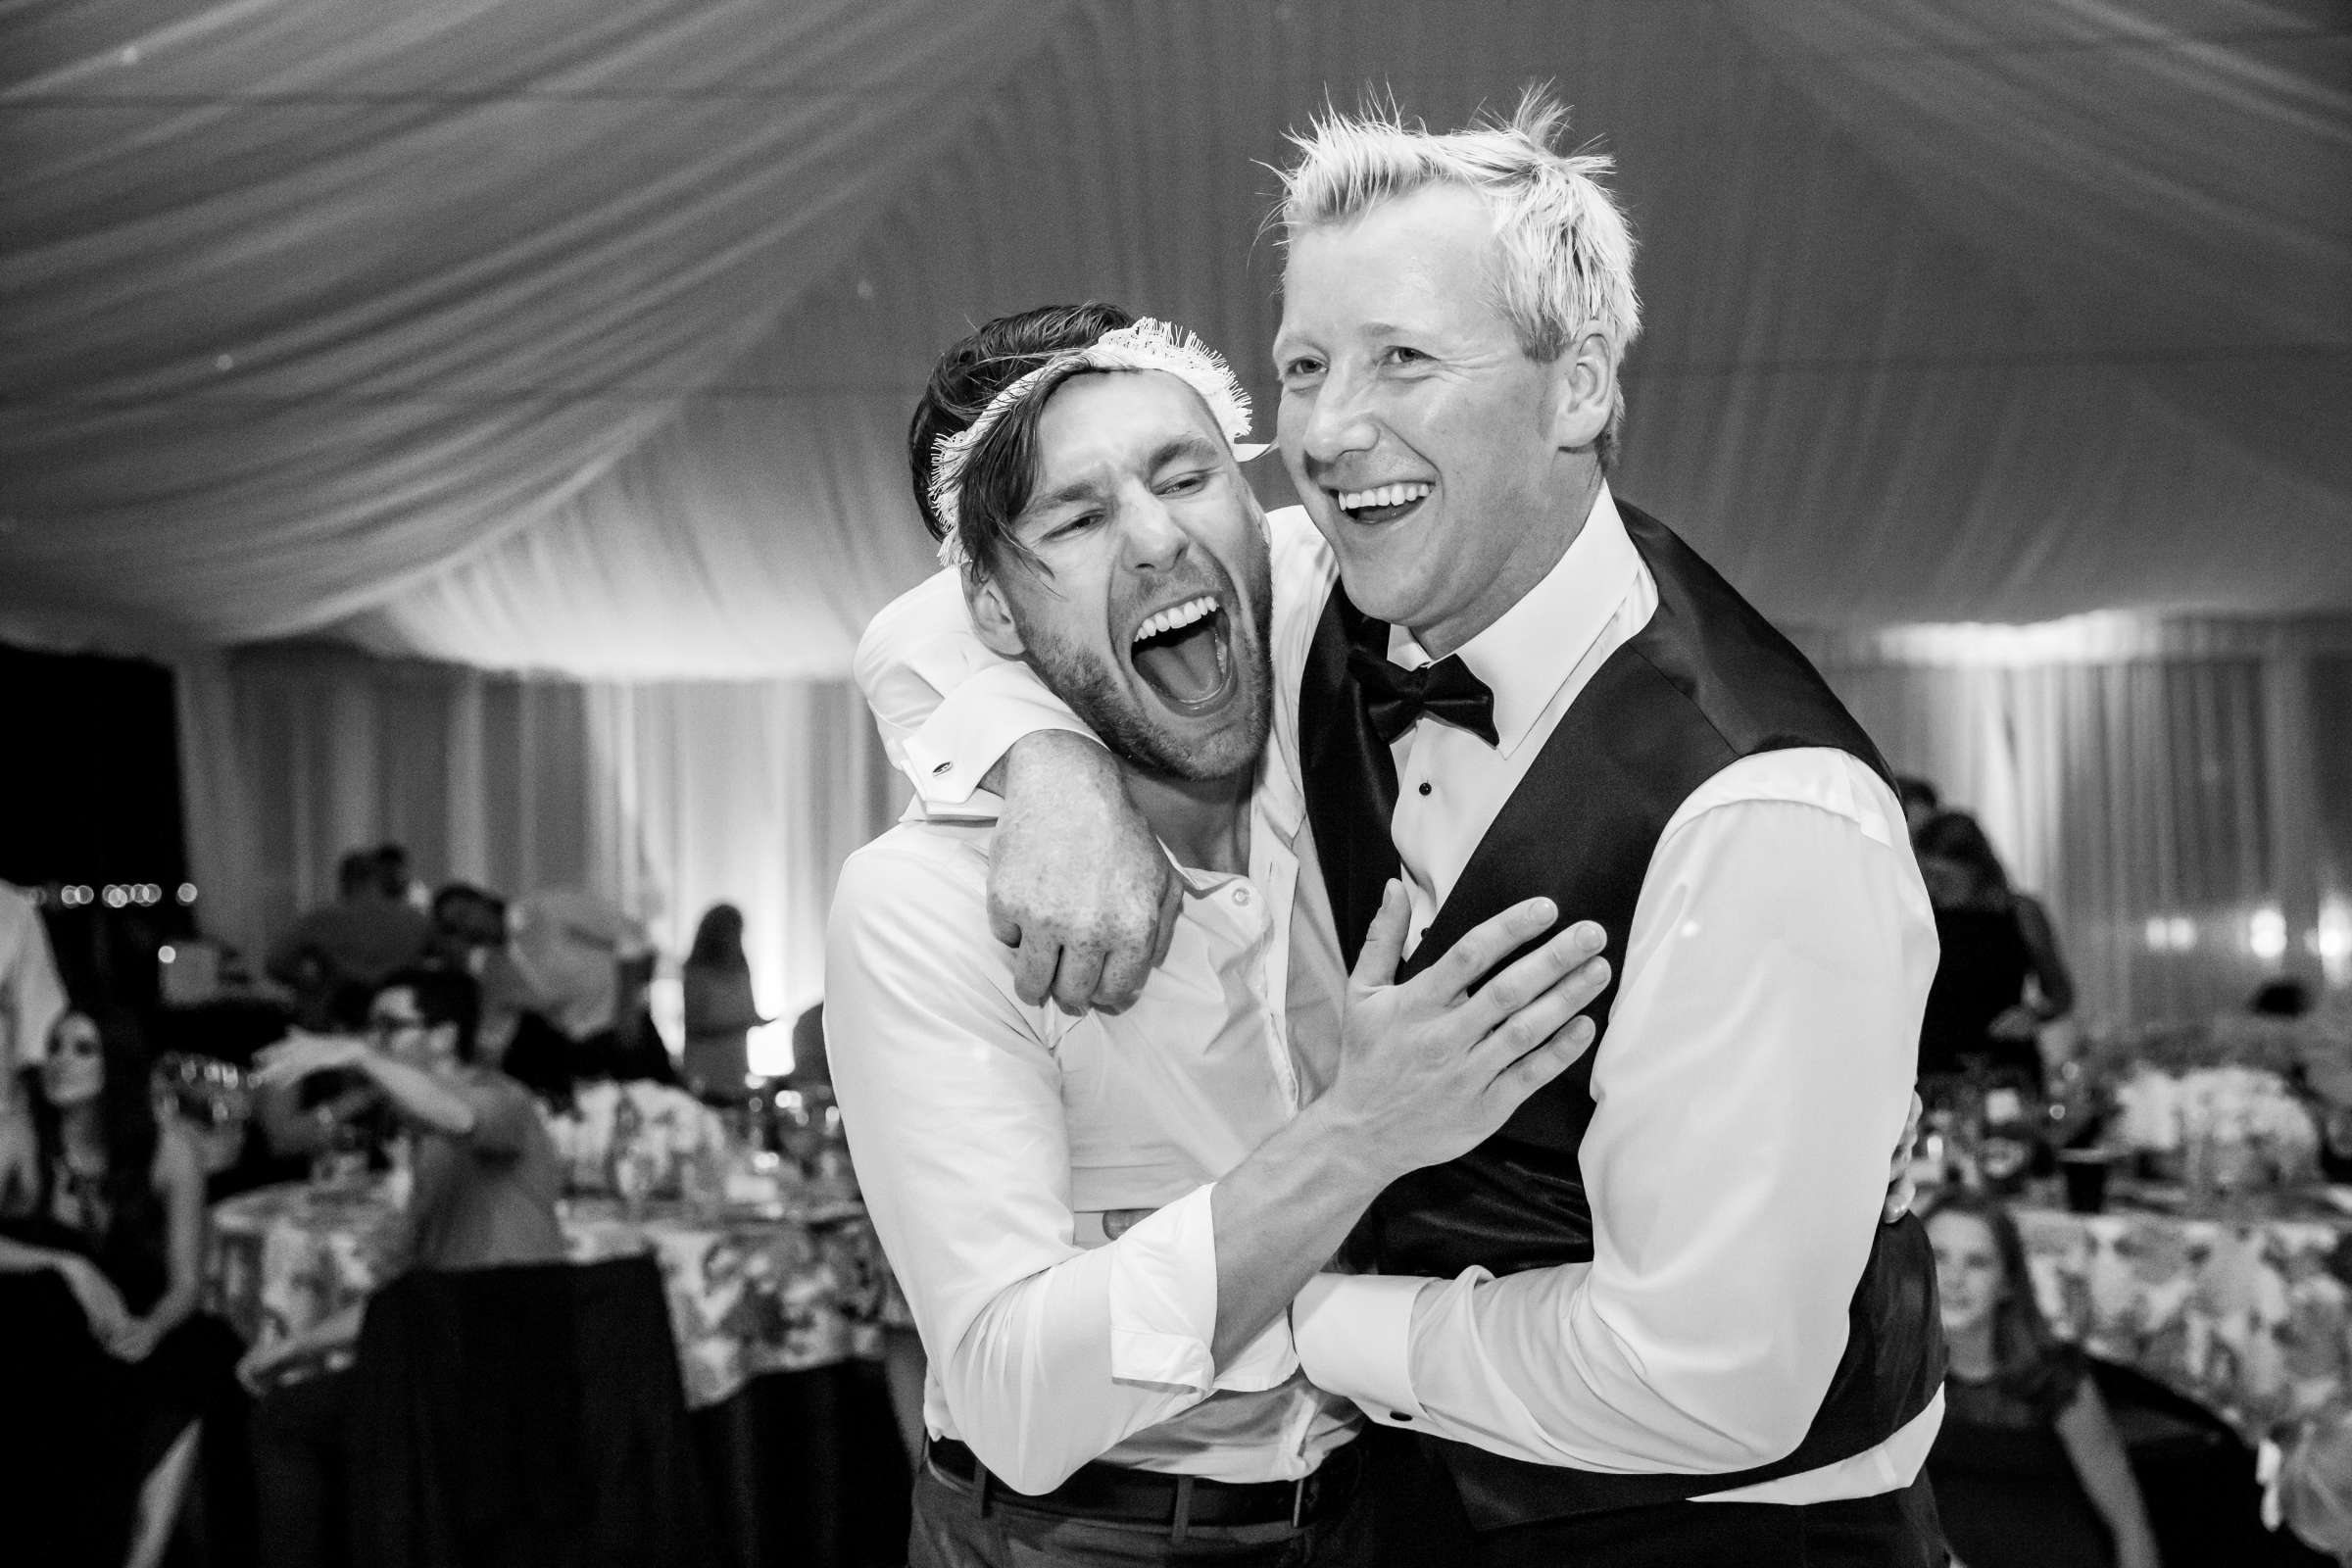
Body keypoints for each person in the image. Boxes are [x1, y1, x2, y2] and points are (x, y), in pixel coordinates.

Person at [859, 94, 1945, 1564]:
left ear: (1577, 389)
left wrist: (1309, 1308)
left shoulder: (1757, 804)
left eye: (1404, 361)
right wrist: (1042, 756)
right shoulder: (1325, 594)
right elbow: (947, 598)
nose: (1327, 430)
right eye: (1304, 366)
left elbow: (1720, 1383)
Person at [831, 304, 1619, 1566]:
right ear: (986, 601)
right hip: (1081, 1539)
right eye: (1078, 520)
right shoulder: (923, 907)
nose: (1155, 538)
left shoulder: (1313, 629)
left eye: (1189, 476)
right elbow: (1015, 1400)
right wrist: (1360, 1134)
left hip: (1388, 1501)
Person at [239, 966, 565, 1568]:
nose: (376, 1041)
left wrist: (356, 1055)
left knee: (311, 1426)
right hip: (449, 1354)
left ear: (443, 1037)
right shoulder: (421, 1137)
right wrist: (293, 1349)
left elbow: (459, 1115)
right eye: (373, 1028)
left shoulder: (501, 1098)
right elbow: (410, 1295)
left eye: (392, 1027)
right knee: (285, 1412)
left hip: (506, 1366)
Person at [0, 1003, 245, 1568]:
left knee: (207, 1350)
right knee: (52, 1329)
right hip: (33, 1318)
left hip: (129, 1315)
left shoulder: (168, 1149)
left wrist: (151, 1327)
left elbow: (187, 1283)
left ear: (122, 1064)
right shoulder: (19, 1132)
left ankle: (144, 1553)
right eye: (56, 1046)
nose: (61, 1062)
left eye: (84, 1050)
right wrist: (70, 1267)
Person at [1923, 1191, 2159, 1568]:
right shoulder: (1893, 1379)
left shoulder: (2053, 1377)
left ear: (2007, 1283)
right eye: (1938, 1257)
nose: (1954, 1279)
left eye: (1978, 1262)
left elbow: (2130, 1525)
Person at [1915, 808, 2075, 1087]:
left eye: (1942, 876)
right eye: (1926, 874)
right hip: (1933, 1069)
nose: (1933, 885)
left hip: (2006, 1067)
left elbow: (2061, 992)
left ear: (1975, 869)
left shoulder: (2021, 913)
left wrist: (2034, 1014)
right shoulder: (1920, 915)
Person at [264, 848, 433, 1029]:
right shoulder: (416, 921)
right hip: (398, 1021)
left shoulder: (322, 919)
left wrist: (309, 985)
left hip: (332, 1020)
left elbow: (276, 962)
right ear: (378, 878)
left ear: (345, 880)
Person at [681, 903, 767, 1100]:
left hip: (736, 1068)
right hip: (705, 1071)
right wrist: (738, 1025)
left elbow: (748, 1011)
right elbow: (695, 1025)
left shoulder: (741, 969)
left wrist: (755, 1021)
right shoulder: (698, 972)